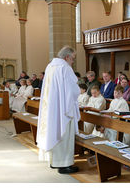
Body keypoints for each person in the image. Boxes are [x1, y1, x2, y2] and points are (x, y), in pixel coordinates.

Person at [36, 46, 80, 174]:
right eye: (73, 59)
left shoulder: (50, 66)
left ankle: (54, 161)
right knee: (64, 135)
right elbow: (72, 90)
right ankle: (64, 164)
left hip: (51, 108)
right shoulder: (65, 67)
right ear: (67, 57)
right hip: (63, 110)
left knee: (53, 132)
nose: (73, 61)